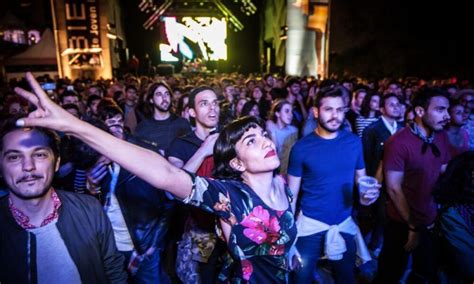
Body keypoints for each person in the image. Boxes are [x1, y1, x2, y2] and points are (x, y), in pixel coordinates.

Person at [15, 72, 297, 283]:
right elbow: (165, 173)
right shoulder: (230, 197)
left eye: (262, 134)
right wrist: (74, 125)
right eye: (250, 141)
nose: (264, 141)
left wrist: (291, 251)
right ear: (236, 162)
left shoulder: (284, 187)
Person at [0, 117, 127, 283]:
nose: (28, 166)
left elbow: (114, 271)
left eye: (39, 154)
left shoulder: (90, 210)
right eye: (14, 157)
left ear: (57, 162)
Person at [288, 86, 379, 284]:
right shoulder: (301, 148)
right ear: (316, 112)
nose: (335, 115)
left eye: (339, 110)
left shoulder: (354, 142)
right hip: (310, 226)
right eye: (329, 109)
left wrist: (367, 197)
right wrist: (289, 233)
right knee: (300, 279)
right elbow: (292, 195)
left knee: (346, 278)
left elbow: (360, 182)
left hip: (344, 224)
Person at [375, 87, 452, 283]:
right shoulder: (398, 142)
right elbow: (393, 188)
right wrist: (413, 226)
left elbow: (442, 170)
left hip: (431, 220)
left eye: (447, 110)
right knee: (389, 274)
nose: (447, 116)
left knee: (425, 273)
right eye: (440, 110)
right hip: (401, 222)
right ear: (419, 111)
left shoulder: (441, 136)